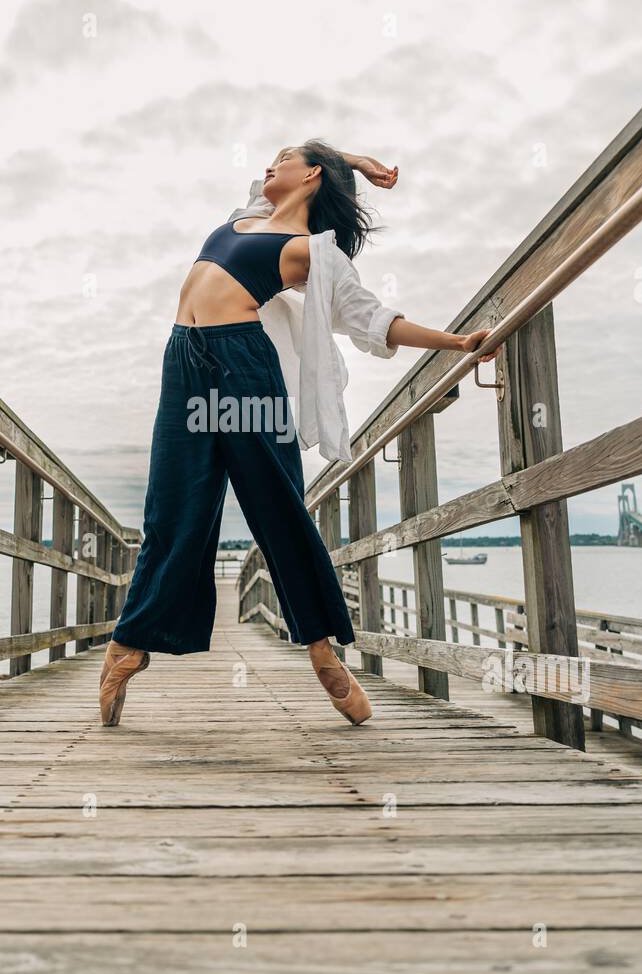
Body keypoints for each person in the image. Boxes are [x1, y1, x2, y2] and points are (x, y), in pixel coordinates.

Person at [100, 141, 500, 728]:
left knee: (278, 507)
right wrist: (358, 162)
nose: (268, 166)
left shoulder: (308, 253)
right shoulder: (246, 217)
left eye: (282, 159)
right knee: (172, 509)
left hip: (244, 367)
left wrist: (456, 343)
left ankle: (323, 651)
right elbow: (315, 156)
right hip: (183, 361)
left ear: (309, 175)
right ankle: (128, 646)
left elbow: (370, 316)